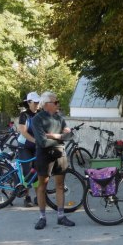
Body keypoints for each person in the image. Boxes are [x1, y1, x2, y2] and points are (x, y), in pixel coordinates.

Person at [31, 91, 75, 230]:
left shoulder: (60, 118)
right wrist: (61, 137)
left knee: (60, 185)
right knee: (42, 186)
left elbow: (70, 136)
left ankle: (61, 216)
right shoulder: (37, 119)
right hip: (44, 155)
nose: (58, 104)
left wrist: (54, 135)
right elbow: (42, 142)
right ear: (46, 104)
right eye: (55, 102)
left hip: (60, 154)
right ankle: (42, 217)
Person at [17, 92, 40, 207]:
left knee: (37, 171)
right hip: (24, 146)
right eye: (35, 102)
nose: (37, 104)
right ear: (29, 102)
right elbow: (23, 131)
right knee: (27, 171)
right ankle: (27, 197)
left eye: (38, 102)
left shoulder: (40, 114)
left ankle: (38, 197)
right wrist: (35, 140)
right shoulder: (24, 115)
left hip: (36, 146)